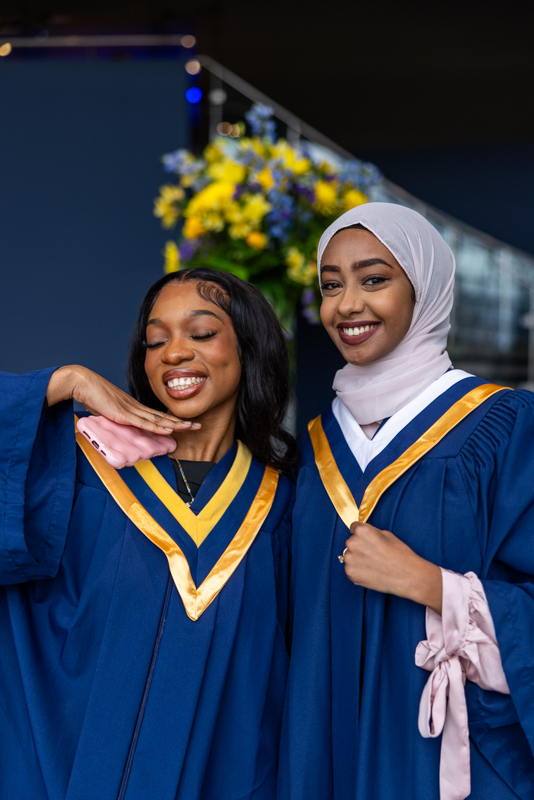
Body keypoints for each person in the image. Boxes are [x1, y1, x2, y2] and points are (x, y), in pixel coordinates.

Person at [0, 267, 296, 800]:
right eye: (155, 341)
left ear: (249, 348)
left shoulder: (283, 509)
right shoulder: (80, 468)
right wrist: (66, 381)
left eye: (201, 333)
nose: (173, 353)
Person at [279, 203, 534, 800]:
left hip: (450, 759)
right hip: (323, 753)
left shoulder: (502, 427)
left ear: (424, 289)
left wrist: (432, 585)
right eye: (331, 285)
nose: (347, 305)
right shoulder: (314, 449)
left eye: (374, 279)